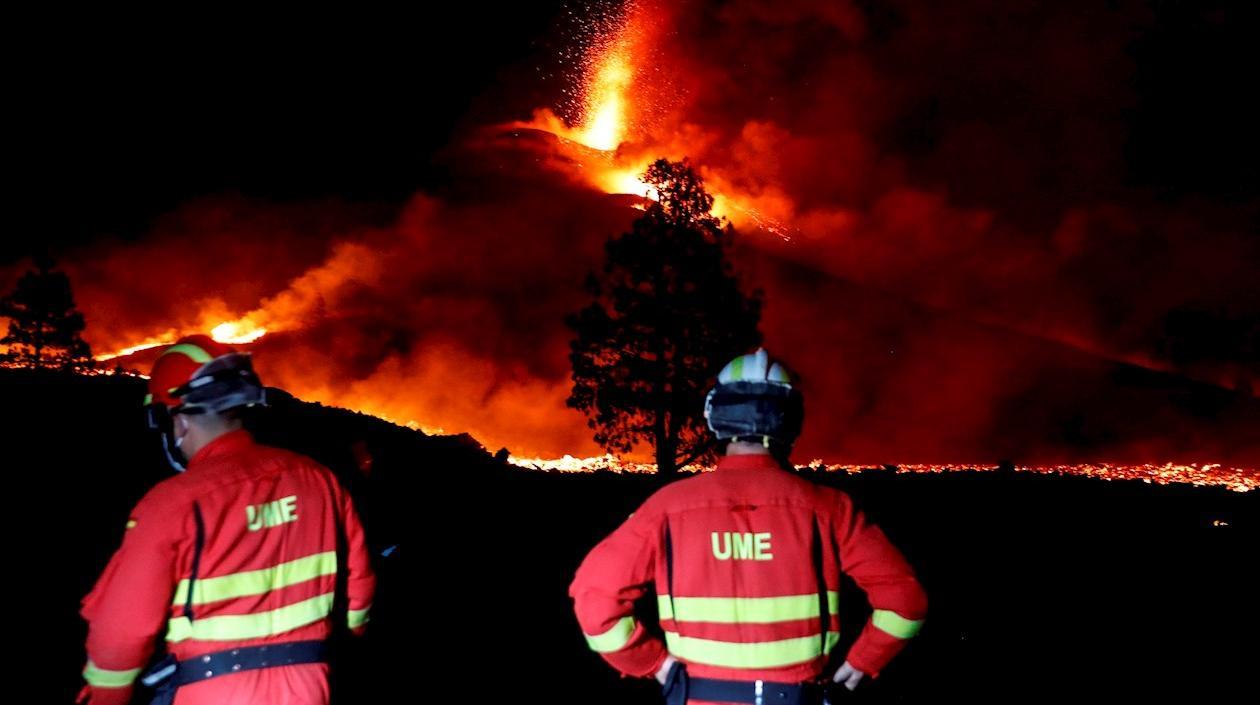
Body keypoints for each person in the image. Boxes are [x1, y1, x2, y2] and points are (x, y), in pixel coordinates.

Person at [569, 348, 927, 705]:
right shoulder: (831, 509)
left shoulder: (666, 506)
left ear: (715, 418)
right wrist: (863, 661)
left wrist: (654, 664)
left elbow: (595, 603)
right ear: (791, 421)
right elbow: (906, 601)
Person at [78, 335, 376, 705]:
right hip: (310, 687)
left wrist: (107, 697)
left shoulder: (173, 503)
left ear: (178, 421)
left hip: (211, 691)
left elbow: (121, 633)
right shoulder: (318, 479)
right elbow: (358, 591)